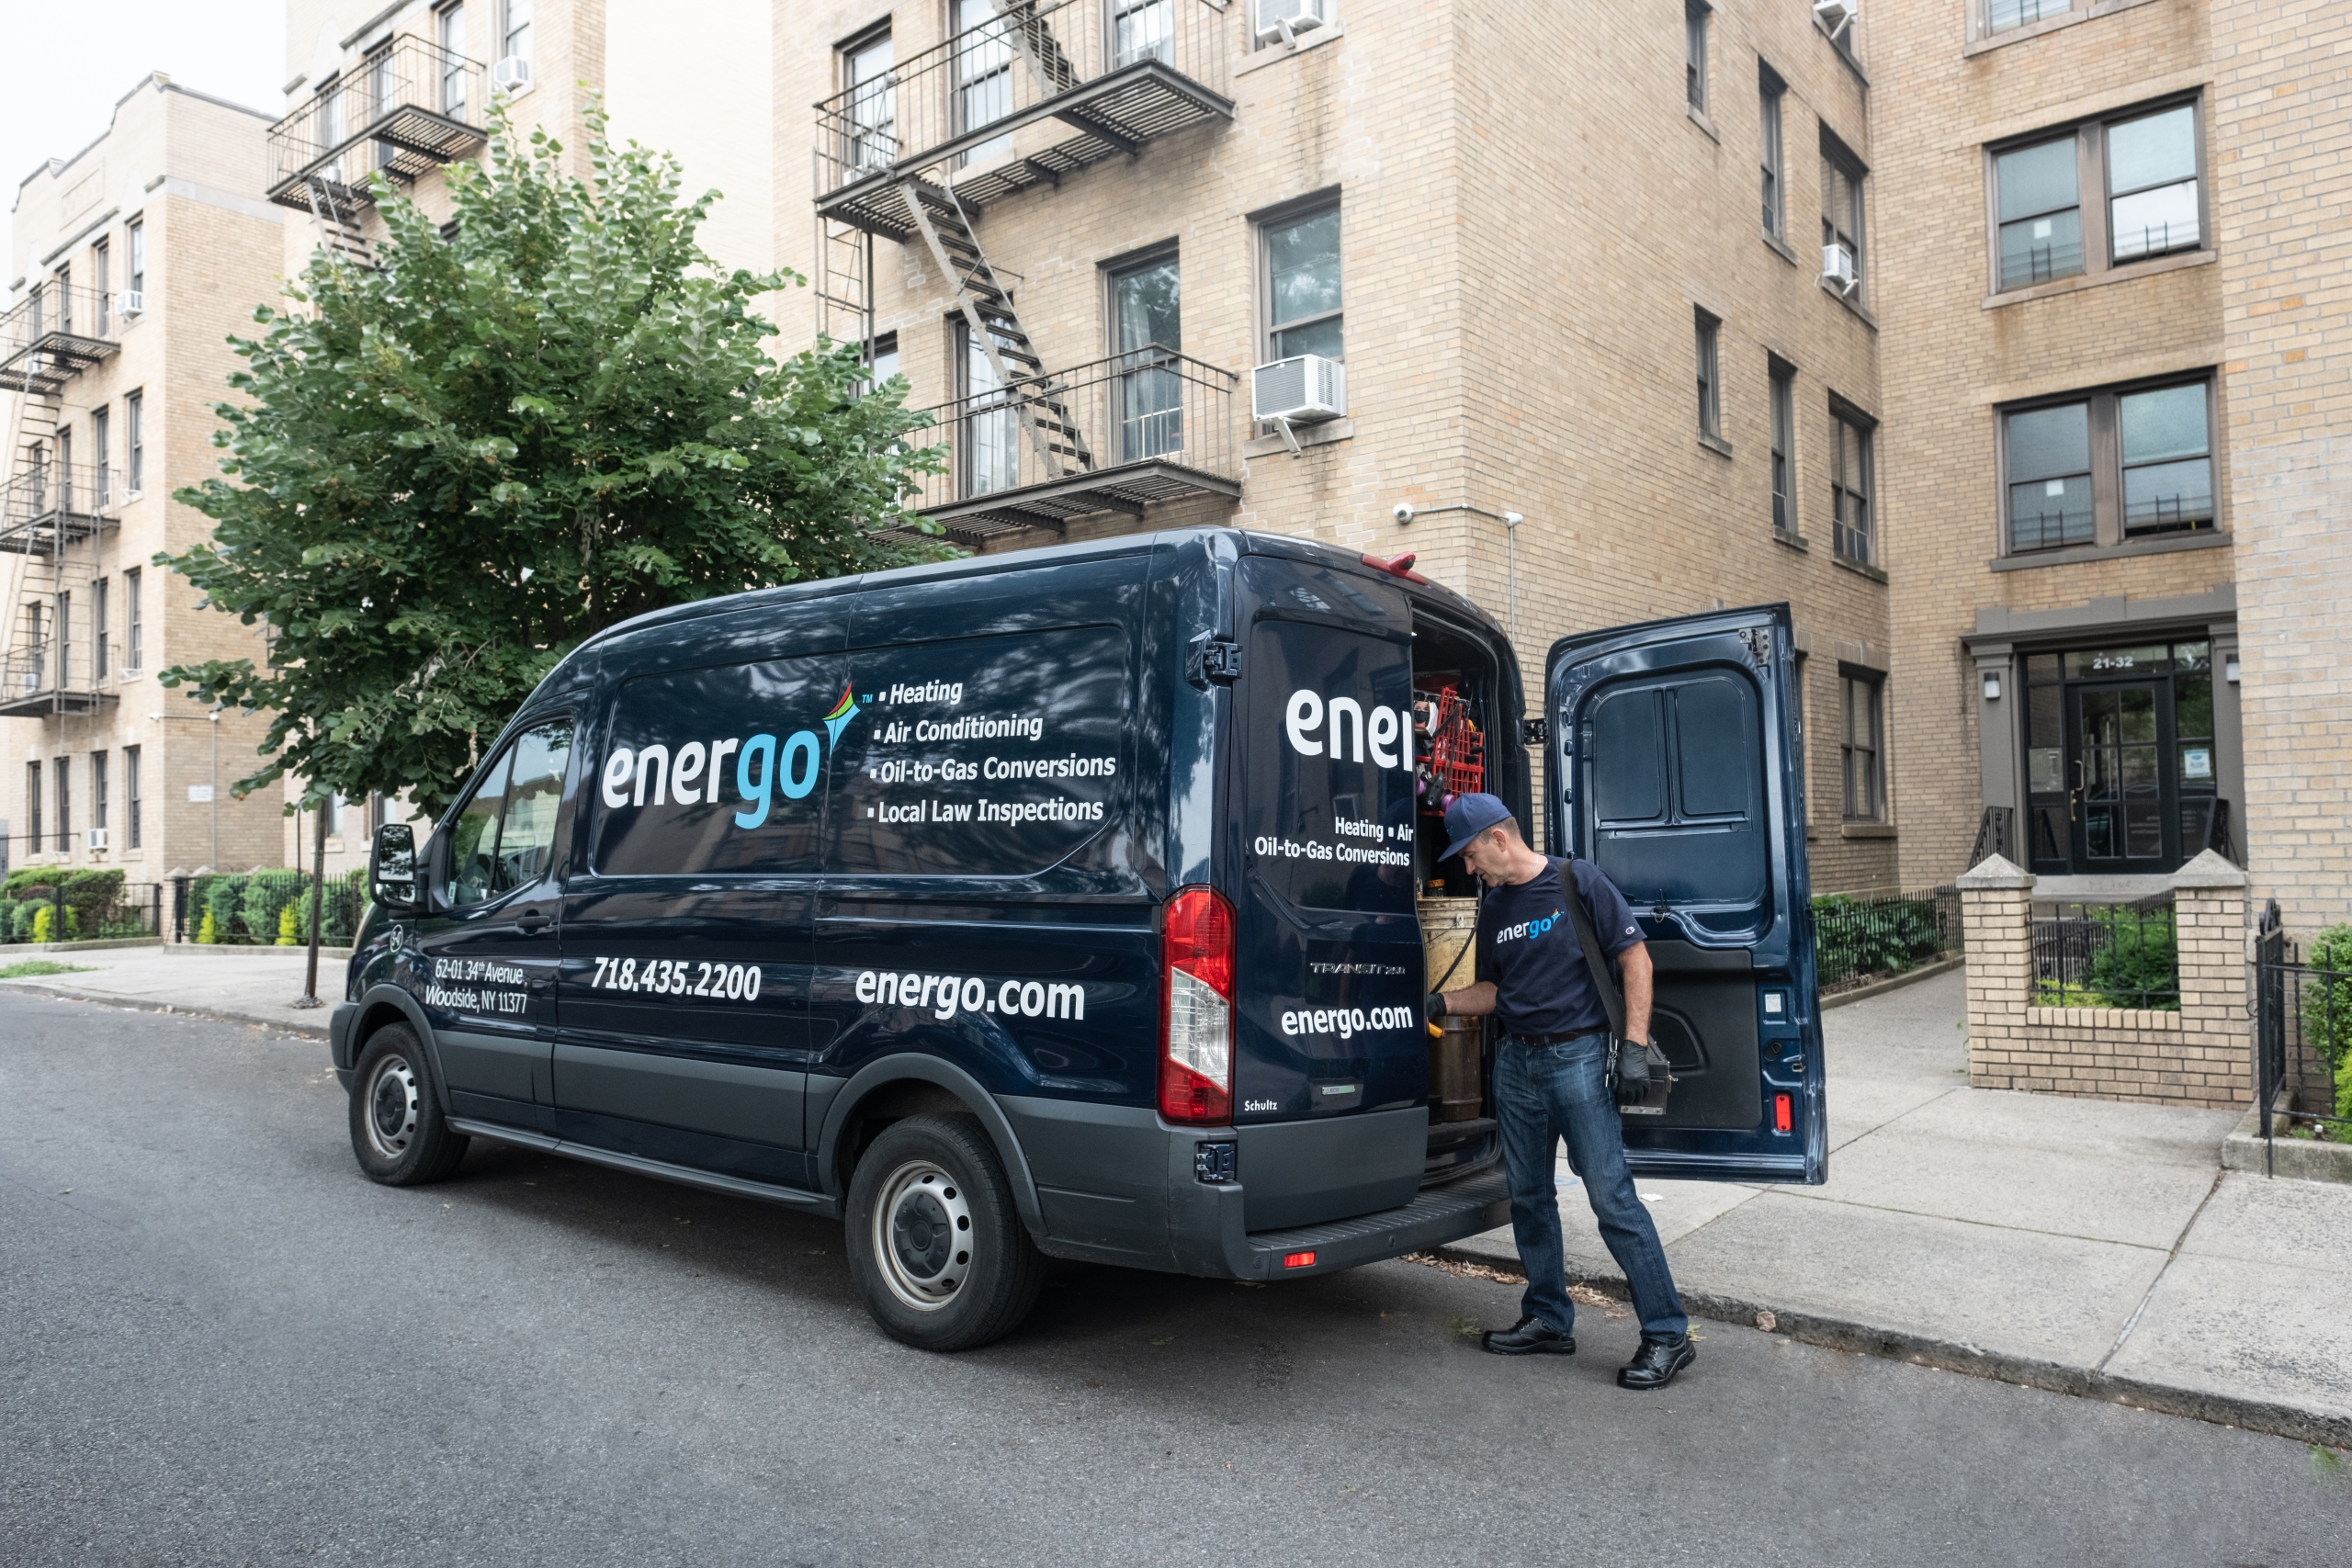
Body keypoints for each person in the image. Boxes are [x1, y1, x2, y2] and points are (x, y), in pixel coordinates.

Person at [1425, 792, 1694, 1390]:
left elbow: (1636, 959)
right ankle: (1547, 1317)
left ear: (1499, 838)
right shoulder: (1494, 907)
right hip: (1517, 1064)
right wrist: (1442, 1001)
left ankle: (1667, 1332)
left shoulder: (1578, 880)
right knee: (1528, 1196)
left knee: (1611, 1197)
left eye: (1471, 855)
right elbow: (1498, 989)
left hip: (1576, 1057)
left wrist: (1632, 1046)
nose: (1470, 870)